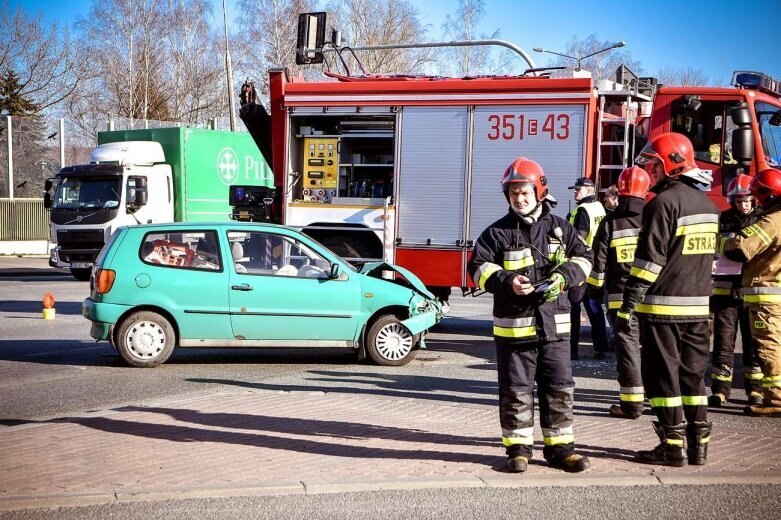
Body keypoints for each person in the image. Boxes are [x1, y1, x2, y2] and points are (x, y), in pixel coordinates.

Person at [468, 157, 594, 473]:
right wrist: (508, 281)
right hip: (514, 331)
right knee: (516, 392)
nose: (519, 199)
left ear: (538, 190)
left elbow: (586, 260)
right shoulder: (495, 234)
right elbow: (477, 269)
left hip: (555, 329)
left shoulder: (561, 229)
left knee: (559, 389)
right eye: (513, 195)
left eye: (524, 193)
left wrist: (563, 277)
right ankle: (518, 451)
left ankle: (561, 450)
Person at [616, 132, 719, 466]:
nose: (649, 170)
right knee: (693, 378)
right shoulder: (708, 205)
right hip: (699, 310)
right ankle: (699, 444)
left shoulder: (662, 203)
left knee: (664, 379)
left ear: (673, 164)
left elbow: (649, 262)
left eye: (654, 164)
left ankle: (672, 446)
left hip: (662, 310)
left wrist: (628, 303)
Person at [587, 166, 651, 419]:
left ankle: (631, 404)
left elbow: (598, 263)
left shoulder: (610, 222)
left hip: (617, 297)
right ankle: (658, 400)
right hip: (650, 296)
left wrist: (594, 290)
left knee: (628, 349)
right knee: (653, 349)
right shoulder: (655, 217)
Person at [719, 168, 781, 417]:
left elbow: (740, 249)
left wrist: (721, 242)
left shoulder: (772, 221)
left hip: (766, 294)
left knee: (768, 346)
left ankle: (775, 400)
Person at [709, 174, 763, 408]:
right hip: (724, 291)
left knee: (754, 343)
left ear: (755, 200)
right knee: (723, 342)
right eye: (739, 201)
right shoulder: (723, 221)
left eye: (747, 200)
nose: (743, 205)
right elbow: (714, 249)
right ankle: (720, 390)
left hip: (752, 291)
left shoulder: (762, 221)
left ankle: (755, 390)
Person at [567, 177, 609, 360]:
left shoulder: (583, 210)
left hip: (581, 264)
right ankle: (600, 348)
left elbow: (580, 237)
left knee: (574, 307)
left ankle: (572, 350)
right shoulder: (599, 207)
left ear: (590, 190)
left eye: (578, 189)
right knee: (594, 308)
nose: (575, 192)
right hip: (596, 264)